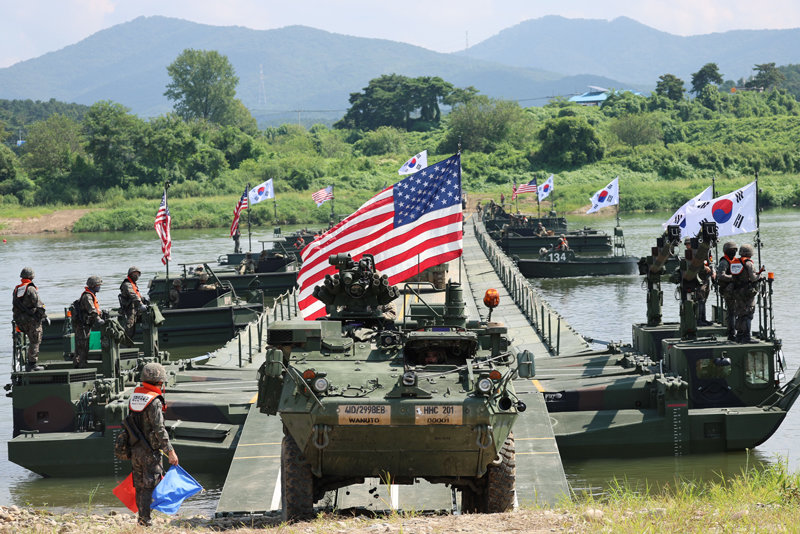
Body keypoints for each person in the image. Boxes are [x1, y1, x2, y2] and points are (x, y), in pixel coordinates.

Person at [127, 362, 179, 527]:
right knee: (150, 484)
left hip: (135, 448)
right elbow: (159, 429)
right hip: (150, 450)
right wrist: (170, 451)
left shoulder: (135, 396)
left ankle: (142, 519)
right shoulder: (154, 401)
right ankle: (145, 521)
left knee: (139, 484)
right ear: (159, 381)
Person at [12, 267, 48, 371]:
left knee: (30, 340)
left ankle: (29, 363)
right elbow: (39, 305)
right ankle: (32, 364)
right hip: (32, 321)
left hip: (20, 321)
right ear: (32, 276)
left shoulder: (17, 289)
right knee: (35, 340)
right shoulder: (31, 288)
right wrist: (44, 316)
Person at [731, 243, 764, 343]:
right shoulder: (749, 263)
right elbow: (753, 278)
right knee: (748, 314)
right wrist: (760, 276)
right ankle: (747, 337)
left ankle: (739, 336)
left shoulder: (735, 262)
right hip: (747, 292)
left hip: (737, 291)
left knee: (740, 313)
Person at [73, 276, 104, 368]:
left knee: (84, 346)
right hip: (82, 326)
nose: (99, 287)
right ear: (93, 286)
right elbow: (92, 310)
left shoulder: (91, 295)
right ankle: (80, 365)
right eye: (98, 285)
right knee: (82, 346)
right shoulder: (87, 296)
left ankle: (82, 364)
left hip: (86, 325)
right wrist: (98, 319)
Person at [119, 266, 147, 343]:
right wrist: (141, 304)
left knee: (134, 328)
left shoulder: (133, 284)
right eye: (135, 274)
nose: (137, 276)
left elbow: (137, 295)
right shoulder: (127, 284)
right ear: (131, 274)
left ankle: (128, 343)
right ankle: (123, 344)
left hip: (135, 309)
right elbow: (133, 295)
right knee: (129, 328)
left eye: (138, 274)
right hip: (129, 309)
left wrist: (144, 299)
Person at [716, 241, 738, 339]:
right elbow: (720, 276)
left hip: (737, 290)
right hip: (728, 290)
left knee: (737, 311)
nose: (733, 252)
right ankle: (731, 333)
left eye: (735, 250)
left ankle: (738, 331)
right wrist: (733, 278)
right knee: (731, 312)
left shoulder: (736, 261)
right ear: (726, 251)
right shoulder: (724, 262)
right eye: (731, 250)